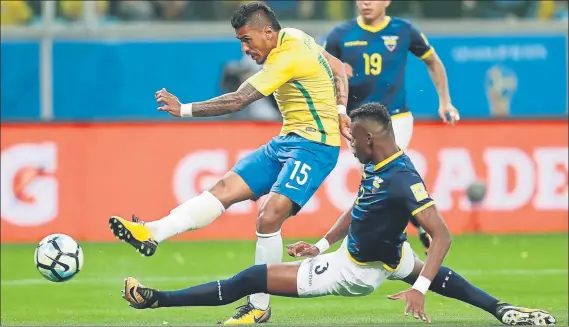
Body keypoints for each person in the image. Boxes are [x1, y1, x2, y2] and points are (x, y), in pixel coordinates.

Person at [120, 103, 555, 326]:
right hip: (379, 254)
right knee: (429, 273)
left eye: (353, 140)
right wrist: (323, 242)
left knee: (252, 280)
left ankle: (156, 300)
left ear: (369, 138)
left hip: (356, 270)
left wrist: (418, 290)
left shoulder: (403, 178)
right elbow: (359, 207)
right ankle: (504, 311)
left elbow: (441, 235)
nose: (349, 145)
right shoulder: (378, 166)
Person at [108, 1, 351, 325]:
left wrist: (183, 110)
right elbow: (338, 68)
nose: (244, 48)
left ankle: (258, 307)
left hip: (316, 147)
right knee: (223, 188)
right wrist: (340, 111)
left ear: (268, 32)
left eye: (247, 40)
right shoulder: (294, 35)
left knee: (269, 217)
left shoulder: (286, 57)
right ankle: (152, 232)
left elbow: (238, 100)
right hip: (287, 141)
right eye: (241, 41)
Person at [324, 0, 460, 254]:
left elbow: (433, 62)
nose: (365, 3)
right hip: (357, 124)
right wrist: (336, 71)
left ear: (386, 1)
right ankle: (417, 224)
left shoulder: (403, 30)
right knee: (384, 178)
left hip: (395, 119)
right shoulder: (339, 35)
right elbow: (318, 69)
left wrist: (445, 101)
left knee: (384, 172)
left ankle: (400, 234)